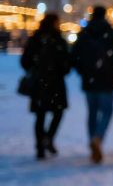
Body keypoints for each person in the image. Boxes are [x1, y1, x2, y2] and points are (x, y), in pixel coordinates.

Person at [71, 5, 113, 164]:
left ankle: (92, 139)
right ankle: (98, 138)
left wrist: (83, 71)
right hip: (107, 79)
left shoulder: (84, 34)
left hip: (89, 80)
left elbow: (74, 56)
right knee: (107, 111)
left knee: (92, 112)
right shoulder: (112, 34)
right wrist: (112, 70)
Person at [21, 13, 70, 160]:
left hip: (39, 83)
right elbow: (66, 63)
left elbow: (25, 61)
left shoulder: (35, 39)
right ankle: (48, 138)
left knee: (40, 115)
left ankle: (40, 146)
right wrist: (60, 70)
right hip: (55, 83)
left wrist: (35, 69)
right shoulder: (59, 41)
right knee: (58, 112)